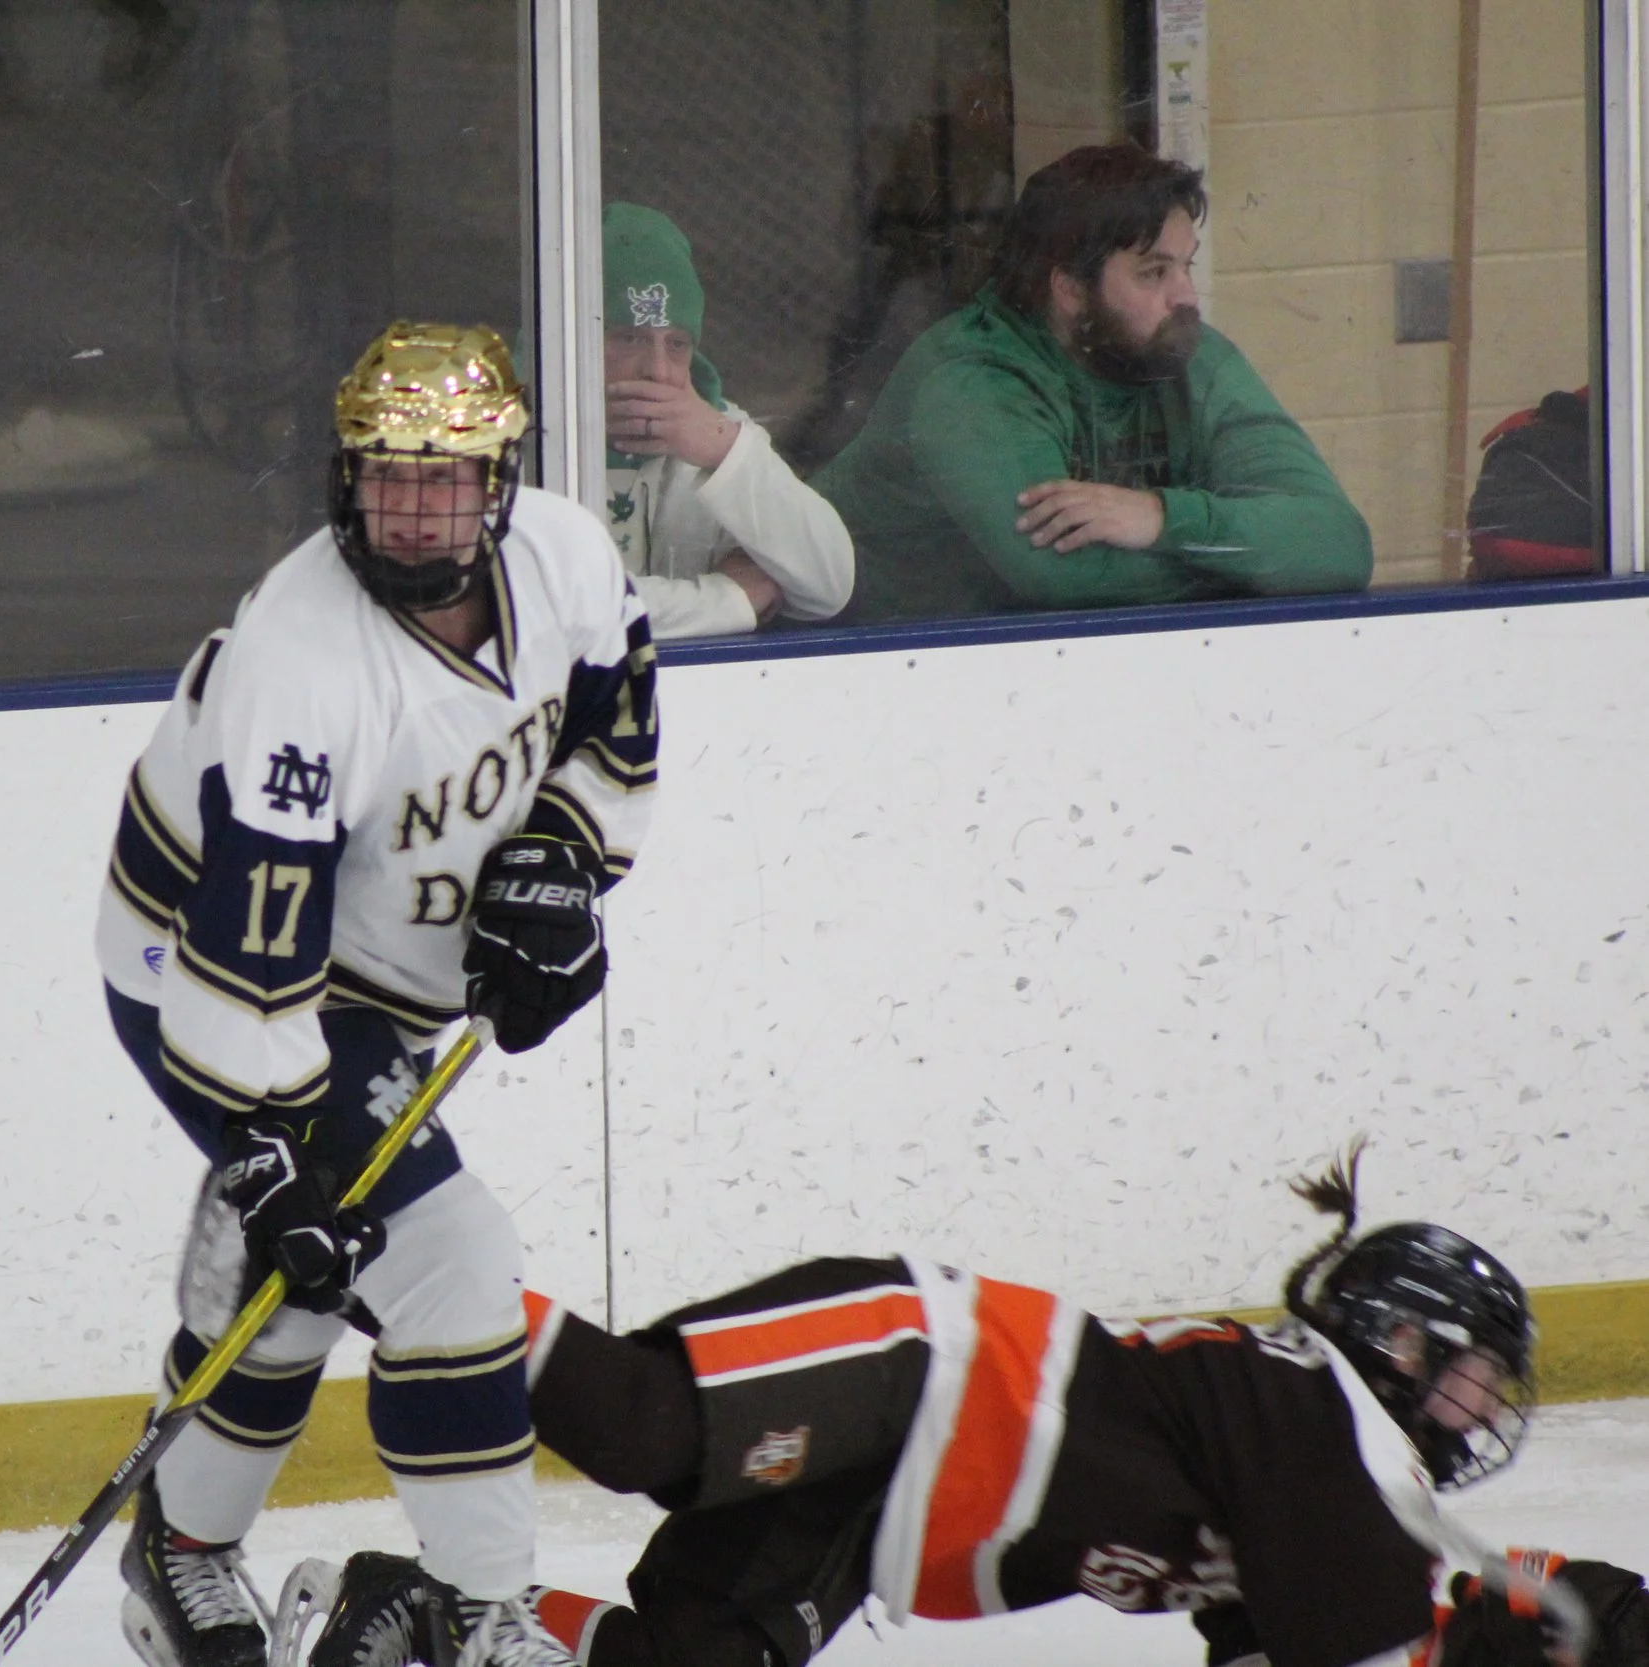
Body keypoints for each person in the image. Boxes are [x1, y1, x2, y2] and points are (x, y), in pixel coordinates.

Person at [94, 320, 659, 1667]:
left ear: (498, 482)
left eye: (444, 479)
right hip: (213, 965)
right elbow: (250, 955)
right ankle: (483, 1615)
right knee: (444, 1256)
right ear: (348, 477)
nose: (411, 512)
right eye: (385, 475)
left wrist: (558, 869)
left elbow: (615, 716)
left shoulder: (567, 557)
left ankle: (175, 1550)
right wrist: (273, 1148)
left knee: (301, 1282)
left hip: (370, 973)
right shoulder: (304, 665)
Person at [288, 1147, 1648, 1667]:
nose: (1481, 1406)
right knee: (646, 1426)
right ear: (1394, 1337)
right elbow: (1401, 1629)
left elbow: (1312, 1634)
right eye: (1471, 1366)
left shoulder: (1316, 1490)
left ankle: (407, 1607)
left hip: (892, 1515)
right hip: (918, 1366)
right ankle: (371, 1239)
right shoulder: (1326, 1434)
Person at [813, 143, 1375, 622]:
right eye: (1154, 272)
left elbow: (1338, 546)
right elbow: (1064, 580)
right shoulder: (969, 382)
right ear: (1070, 289)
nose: (1186, 297)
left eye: (1186, 266)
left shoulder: (1187, 357)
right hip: (858, 670)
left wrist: (1160, 518)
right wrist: (1259, 566)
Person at [599, 203, 854, 639]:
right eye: (630, 338)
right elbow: (560, 612)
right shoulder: (503, 440)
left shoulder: (715, 432)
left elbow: (829, 585)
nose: (659, 371)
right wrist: (729, 601)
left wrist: (726, 452)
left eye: (677, 344)